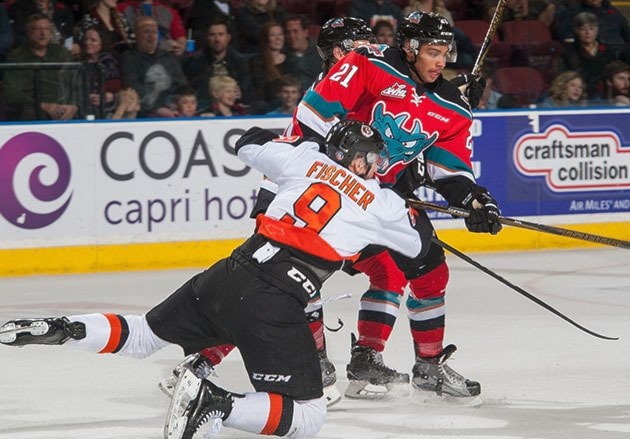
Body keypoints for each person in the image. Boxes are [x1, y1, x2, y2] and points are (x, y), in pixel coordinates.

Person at [0, 119, 434, 439]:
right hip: (276, 300)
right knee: (308, 416)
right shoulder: (380, 201)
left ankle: (66, 328)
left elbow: (249, 142)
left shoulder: (304, 158)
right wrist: (412, 210)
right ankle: (218, 404)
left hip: (229, 273)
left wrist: (306, 146)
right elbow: (419, 251)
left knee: (144, 335)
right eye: (373, 158)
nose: (376, 167)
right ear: (356, 156)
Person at [293, 11, 500, 399]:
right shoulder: (370, 64)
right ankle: (228, 355)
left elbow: (449, 170)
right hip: (335, 190)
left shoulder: (452, 106)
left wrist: (474, 199)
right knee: (296, 273)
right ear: (410, 48)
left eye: (446, 52)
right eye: (433, 52)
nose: (441, 61)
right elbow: (313, 112)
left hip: (387, 201)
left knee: (430, 272)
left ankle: (428, 365)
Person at [3, 13, 79, 121]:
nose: (43, 33)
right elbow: (11, 93)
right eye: (37, 29)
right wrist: (43, 106)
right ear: (29, 33)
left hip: (63, 107)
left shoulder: (61, 53)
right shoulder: (16, 57)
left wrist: (74, 105)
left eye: (47, 29)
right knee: (31, 113)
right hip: (33, 110)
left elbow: (76, 82)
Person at [119, 16, 189, 117]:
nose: (151, 36)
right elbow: (133, 87)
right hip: (145, 113)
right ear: (137, 35)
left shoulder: (168, 57)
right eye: (146, 32)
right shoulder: (129, 58)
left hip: (174, 109)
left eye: (154, 32)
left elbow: (182, 84)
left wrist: (176, 104)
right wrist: (157, 109)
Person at [182, 17, 253, 110]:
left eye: (221, 34)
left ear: (228, 38)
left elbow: (249, 92)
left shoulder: (240, 61)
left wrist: (241, 94)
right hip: (204, 110)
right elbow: (191, 92)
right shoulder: (194, 61)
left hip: (234, 109)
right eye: (213, 35)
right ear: (207, 37)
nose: (217, 39)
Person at [558, 11, 617, 100]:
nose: (587, 33)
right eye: (582, 29)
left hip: (604, 94)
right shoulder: (568, 51)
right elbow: (563, 77)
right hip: (578, 93)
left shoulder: (607, 51)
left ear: (597, 30)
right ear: (576, 30)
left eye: (591, 29)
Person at [248, 21, 299, 114]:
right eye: (273, 35)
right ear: (266, 39)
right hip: (267, 104)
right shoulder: (257, 62)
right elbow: (259, 90)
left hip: (288, 102)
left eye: (280, 34)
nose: (278, 38)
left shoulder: (292, 60)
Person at [558, 0, 630, 58]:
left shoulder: (613, 11)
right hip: (595, 52)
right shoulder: (573, 12)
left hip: (620, 50)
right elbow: (567, 37)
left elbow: (627, 33)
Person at [80, 26, 123, 119]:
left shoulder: (109, 61)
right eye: (86, 39)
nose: (88, 43)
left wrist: (109, 96)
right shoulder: (79, 63)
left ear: (102, 42)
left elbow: (116, 85)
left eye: (93, 40)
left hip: (107, 106)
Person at [118, 0, 187, 56]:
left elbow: (180, 37)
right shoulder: (122, 8)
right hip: (138, 56)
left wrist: (179, 47)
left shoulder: (168, 11)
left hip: (166, 56)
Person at [284, 14, 322, 92]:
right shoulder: (283, 55)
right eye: (288, 32)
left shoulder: (320, 53)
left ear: (305, 32)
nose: (291, 36)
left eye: (295, 31)